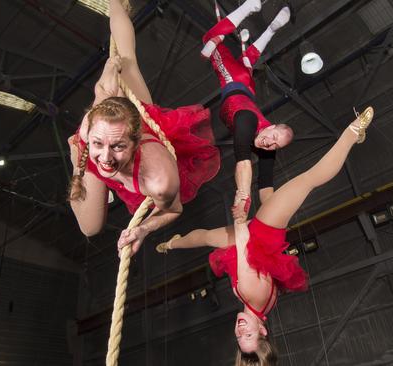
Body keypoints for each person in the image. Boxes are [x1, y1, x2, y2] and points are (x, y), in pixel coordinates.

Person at [154, 107, 375, 365]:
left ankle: (172, 243)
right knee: (308, 180)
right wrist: (239, 214)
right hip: (261, 231)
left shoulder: (262, 307)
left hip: (255, 242)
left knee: (208, 236)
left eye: (239, 337)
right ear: (262, 331)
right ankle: (354, 132)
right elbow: (244, 238)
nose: (239, 331)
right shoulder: (250, 294)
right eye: (248, 334)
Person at [68, 0, 220, 255]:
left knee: (127, 60)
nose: (106, 158)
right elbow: (102, 98)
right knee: (88, 224)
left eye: (118, 146)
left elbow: (174, 208)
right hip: (89, 139)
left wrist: (144, 228)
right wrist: (109, 67)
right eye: (99, 144)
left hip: (135, 142)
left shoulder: (159, 178)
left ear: (135, 141)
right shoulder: (89, 128)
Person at [202, 0, 294, 210]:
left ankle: (270, 29)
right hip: (234, 82)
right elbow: (243, 159)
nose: (270, 144)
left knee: (248, 59)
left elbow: (266, 184)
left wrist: (271, 215)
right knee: (208, 41)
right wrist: (243, 196)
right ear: (271, 126)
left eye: (275, 145)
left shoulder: (267, 147)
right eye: (274, 138)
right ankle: (249, 7)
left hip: (247, 84)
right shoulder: (248, 120)